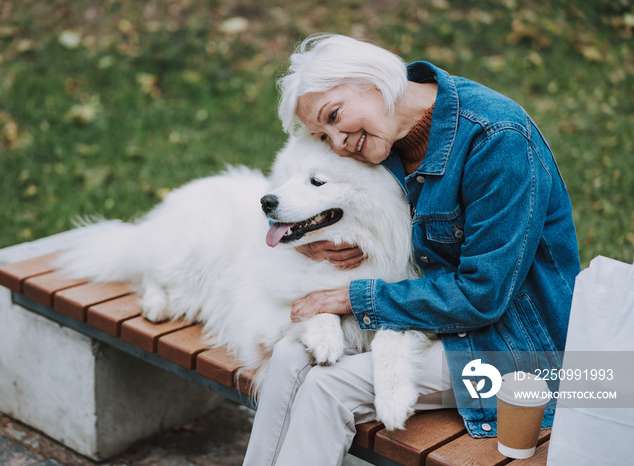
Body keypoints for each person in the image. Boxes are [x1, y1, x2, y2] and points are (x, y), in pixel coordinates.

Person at [243, 33, 580, 465]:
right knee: (291, 355)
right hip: (434, 323)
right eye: (322, 135)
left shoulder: (497, 139)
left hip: (511, 347)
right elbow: (323, 201)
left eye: (334, 115)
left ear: (373, 79)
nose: (339, 141)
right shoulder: (383, 137)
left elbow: (482, 295)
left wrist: (353, 297)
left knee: (326, 388)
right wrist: (311, 243)